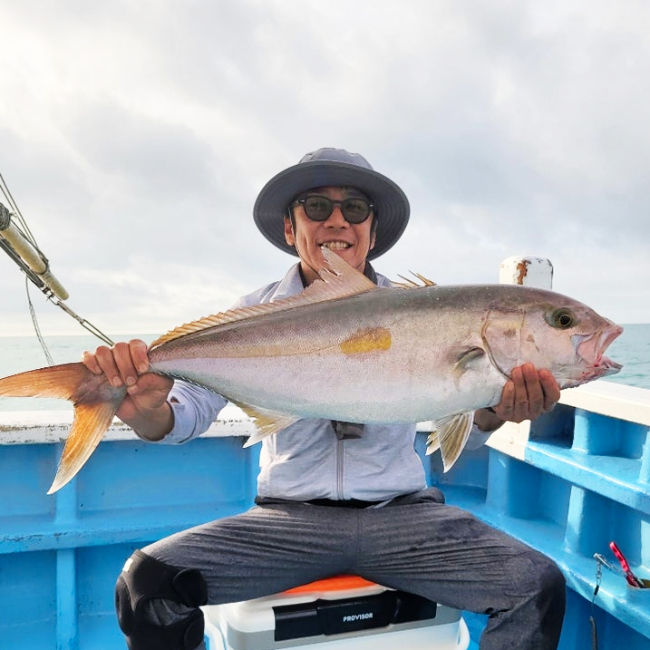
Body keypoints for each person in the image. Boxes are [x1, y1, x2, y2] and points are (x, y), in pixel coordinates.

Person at [83, 148, 566, 650]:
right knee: (146, 586)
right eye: (316, 207)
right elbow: (187, 413)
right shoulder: (253, 313)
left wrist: (493, 412)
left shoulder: (427, 312)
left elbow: (458, 435)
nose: (337, 220)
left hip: (401, 517)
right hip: (288, 522)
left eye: (355, 208)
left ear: (372, 232)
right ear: (291, 229)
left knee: (535, 585)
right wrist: (148, 412)